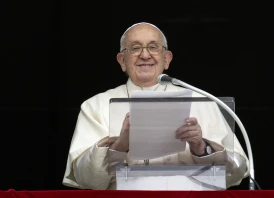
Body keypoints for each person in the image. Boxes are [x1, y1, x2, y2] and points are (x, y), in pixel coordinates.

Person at [62, 22, 250, 190]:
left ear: (167, 59)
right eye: (135, 48)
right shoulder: (96, 105)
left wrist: (201, 148)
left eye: (153, 47)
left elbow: (235, 173)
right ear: (122, 61)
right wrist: (120, 145)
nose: (145, 55)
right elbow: (85, 178)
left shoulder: (203, 101)